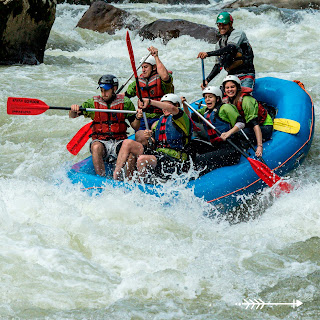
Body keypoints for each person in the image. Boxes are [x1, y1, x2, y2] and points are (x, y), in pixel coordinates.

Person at [69, 74, 142, 176]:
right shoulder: (92, 103)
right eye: (102, 90)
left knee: (130, 152)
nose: (104, 93)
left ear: (114, 89)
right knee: (95, 147)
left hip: (118, 141)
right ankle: (101, 178)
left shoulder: (125, 102)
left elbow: (135, 126)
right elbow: (73, 115)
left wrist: (138, 117)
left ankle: (128, 179)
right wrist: (73, 109)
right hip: (101, 141)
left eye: (106, 90)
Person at [113, 94, 192, 181]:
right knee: (128, 143)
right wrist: (149, 138)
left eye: (167, 105)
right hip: (159, 156)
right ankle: (117, 178)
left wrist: (150, 102)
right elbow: (153, 146)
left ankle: (140, 185)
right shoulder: (158, 123)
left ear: (176, 105)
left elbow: (172, 108)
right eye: (163, 106)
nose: (165, 108)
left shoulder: (182, 118)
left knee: (142, 159)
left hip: (175, 160)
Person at [182, 86, 244, 174]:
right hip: (216, 147)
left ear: (217, 99)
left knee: (200, 159)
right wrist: (184, 104)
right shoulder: (206, 110)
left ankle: (198, 175)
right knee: (191, 145)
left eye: (210, 97)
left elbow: (241, 123)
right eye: (206, 97)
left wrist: (228, 133)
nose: (207, 100)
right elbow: (189, 116)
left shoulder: (225, 108)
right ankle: (185, 171)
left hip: (232, 149)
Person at [125, 46, 174, 142]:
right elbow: (126, 95)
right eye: (142, 67)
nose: (143, 70)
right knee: (140, 136)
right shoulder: (138, 82)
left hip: (161, 116)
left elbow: (164, 76)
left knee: (155, 129)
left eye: (146, 67)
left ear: (154, 67)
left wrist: (156, 57)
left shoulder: (161, 79)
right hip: (144, 117)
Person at [197, 11, 255, 91]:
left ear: (230, 24)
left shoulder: (238, 33)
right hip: (232, 76)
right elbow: (218, 66)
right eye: (219, 24)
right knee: (220, 97)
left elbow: (231, 48)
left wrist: (208, 54)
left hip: (246, 74)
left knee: (244, 96)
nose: (221, 27)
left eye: (224, 24)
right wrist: (207, 80)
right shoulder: (219, 44)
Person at [221, 75, 273, 157]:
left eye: (232, 87)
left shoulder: (246, 101)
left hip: (264, 126)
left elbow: (255, 124)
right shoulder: (228, 99)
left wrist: (260, 146)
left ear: (238, 87)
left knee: (236, 134)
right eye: (227, 88)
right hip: (247, 125)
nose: (230, 90)